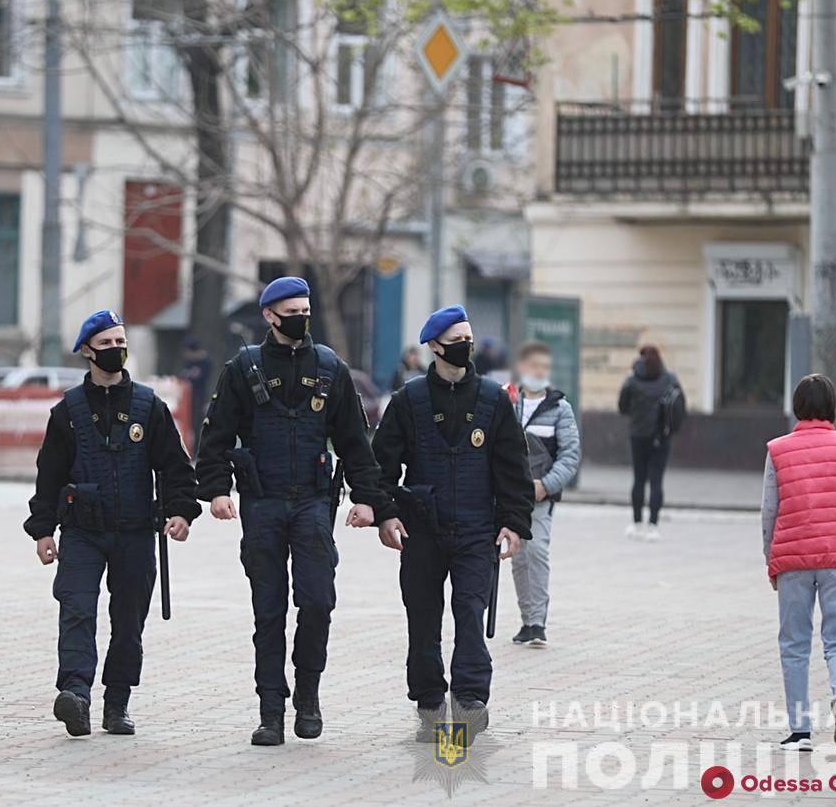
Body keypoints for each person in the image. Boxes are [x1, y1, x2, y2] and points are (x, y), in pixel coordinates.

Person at [196, 276, 390, 746]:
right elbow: (216, 436)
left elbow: (354, 442)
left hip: (313, 505)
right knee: (269, 611)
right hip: (261, 503)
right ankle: (270, 711)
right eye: (291, 310)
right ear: (269, 315)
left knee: (318, 602)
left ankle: (308, 695)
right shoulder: (244, 368)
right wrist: (217, 490)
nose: (301, 317)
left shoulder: (329, 368)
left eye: (306, 308)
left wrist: (368, 499)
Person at [24, 310, 201, 738]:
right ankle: (76, 694)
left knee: (128, 621)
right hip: (82, 532)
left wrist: (180, 511)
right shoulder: (67, 411)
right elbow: (48, 474)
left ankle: (117, 702)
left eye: (120, 342)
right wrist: (43, 529)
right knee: (77, 610)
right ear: (87, 351)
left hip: (137, 532)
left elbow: (175, 467)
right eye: (106, 345)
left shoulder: (149, 406)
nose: (116, 351)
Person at [371, 305, 534, 741]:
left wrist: (514, 523)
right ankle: (428, 703)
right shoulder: (409, 400)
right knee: (423, 619)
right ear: (434, 347)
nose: (465, 346)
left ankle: (470, 701)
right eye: (457, 340)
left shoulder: (494, 399)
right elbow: (381, 466)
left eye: (468, 338)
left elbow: (513, 469)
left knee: (469, 615)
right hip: (421, 530)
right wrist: (385, 515)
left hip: (477, 528)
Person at [762, 374, 836, 753]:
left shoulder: (778, 450)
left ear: (797, 406)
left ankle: (800, 732)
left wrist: (772, 560)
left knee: (795, 644)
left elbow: (769, 511)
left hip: (793, 559)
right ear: (832, 406)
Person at [507, 341, 579, 649]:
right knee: (517, 555)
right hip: (507, 495)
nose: (539, 372)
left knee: (535, 552)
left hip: (540, 496)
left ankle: (536, 623)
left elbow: (570, 455)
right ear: (522, 367)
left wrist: (545, 485)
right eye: (534, 365)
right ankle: (526, 620)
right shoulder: (506, 401)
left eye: (544, 367)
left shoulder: (560, 409)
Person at [617, 345, 684, 542]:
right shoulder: (669, 379)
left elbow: (622, 407)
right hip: (661, 437)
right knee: (656, 480)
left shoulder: (632, 380)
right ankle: (653, 526)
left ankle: (636, 523)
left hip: (638, 436)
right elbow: (680, 406)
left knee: (639, 479)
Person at [179, 337, 214, 453]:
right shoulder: (189, 363)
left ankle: (197, 451)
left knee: (198, 425)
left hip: (200, 398)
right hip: (188, 399)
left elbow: (202, 378)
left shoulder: (205, 362)